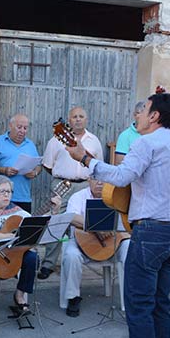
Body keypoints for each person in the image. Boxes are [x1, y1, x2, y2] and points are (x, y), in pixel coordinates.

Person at [65, 92, 170, 338]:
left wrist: (85, 158)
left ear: (155, 116)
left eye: (144, 110)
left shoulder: (147, 143)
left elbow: (122, 175)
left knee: (139, 309)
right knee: (160, 308)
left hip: (149, 234)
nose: (138, 115)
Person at [0, 175, 48, 324]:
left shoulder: (15, 209)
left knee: (32, 258)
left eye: (9, 191)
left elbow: (33, 222)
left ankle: (19, 295)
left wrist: (52, 209)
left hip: (10, 256)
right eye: (2, 191)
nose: (7, 195)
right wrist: (3, 236)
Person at [39, 106, 103, 280]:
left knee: (85, 222)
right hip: (62, 185)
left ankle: (89, 253)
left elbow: (99, 167)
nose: (78, 119)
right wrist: (62, 179)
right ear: (69, 119)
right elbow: (47, 165)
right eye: (74, 116)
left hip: (85, 186)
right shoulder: (56, 140)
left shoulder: (94, 141)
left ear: (87, 119)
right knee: (56, 221)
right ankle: (48, 263)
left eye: (81, 116)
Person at [59, 177, 129, 317]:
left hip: (111, 244)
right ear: (89, 180)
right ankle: (73, 297)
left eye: (104, 179)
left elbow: (125, 220)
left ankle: (131, 294)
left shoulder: (115, 197)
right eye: (96, 179)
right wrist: (96, 227)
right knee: (71, 255)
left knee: (129, 246)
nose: (100, 183)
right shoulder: (78, 197)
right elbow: (71, 217)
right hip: (82, 243)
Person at [0, 114, 41, 212]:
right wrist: (4, 170)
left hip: (24, 197)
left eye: (25, 128)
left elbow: (39, 165)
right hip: (2, 197)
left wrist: (34, 172)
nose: (22, 131)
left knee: (23, 226)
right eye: (19, 127)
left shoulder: (30, 145)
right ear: (10, 125)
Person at [114, 101, 146, 165]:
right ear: (135, 114)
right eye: (141, 114)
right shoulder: (125, 136)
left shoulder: (154, 133)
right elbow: (120, 163)